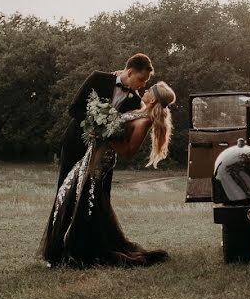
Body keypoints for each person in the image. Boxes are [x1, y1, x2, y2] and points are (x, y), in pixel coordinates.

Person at [41, 81, 176, 267]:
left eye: (148, 90)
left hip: (102, 161)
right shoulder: (140, 111)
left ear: (152, 98)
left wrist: (106, 135)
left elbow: (128, 152)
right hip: (91, 154)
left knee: (85, 203)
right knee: (67, 194)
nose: (145, 90)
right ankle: (61, 249)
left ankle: (78, 251)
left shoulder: (145, 121)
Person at [56, 53, 154, 190]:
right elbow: (74, 109)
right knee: (66, 191)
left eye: (145, 82)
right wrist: (97, 123)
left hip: (104, 155)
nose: (143, 84)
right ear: (130, 72)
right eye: (141, 79)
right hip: (76, 144)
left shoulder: (136, 102)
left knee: (99, 198)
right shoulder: (98, 78)